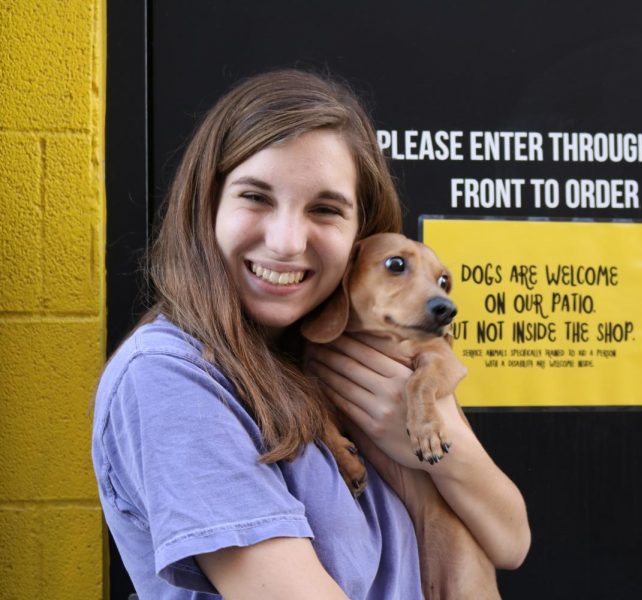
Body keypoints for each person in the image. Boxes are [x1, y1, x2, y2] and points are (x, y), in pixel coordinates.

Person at [92, 69, 530, 599]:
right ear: (204, 207)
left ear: (357, 237)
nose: (286, 241)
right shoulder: (170, 379)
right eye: (255, 197)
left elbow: (510, 542)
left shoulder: (364, 358)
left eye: (325, 209)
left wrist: (430, 431)